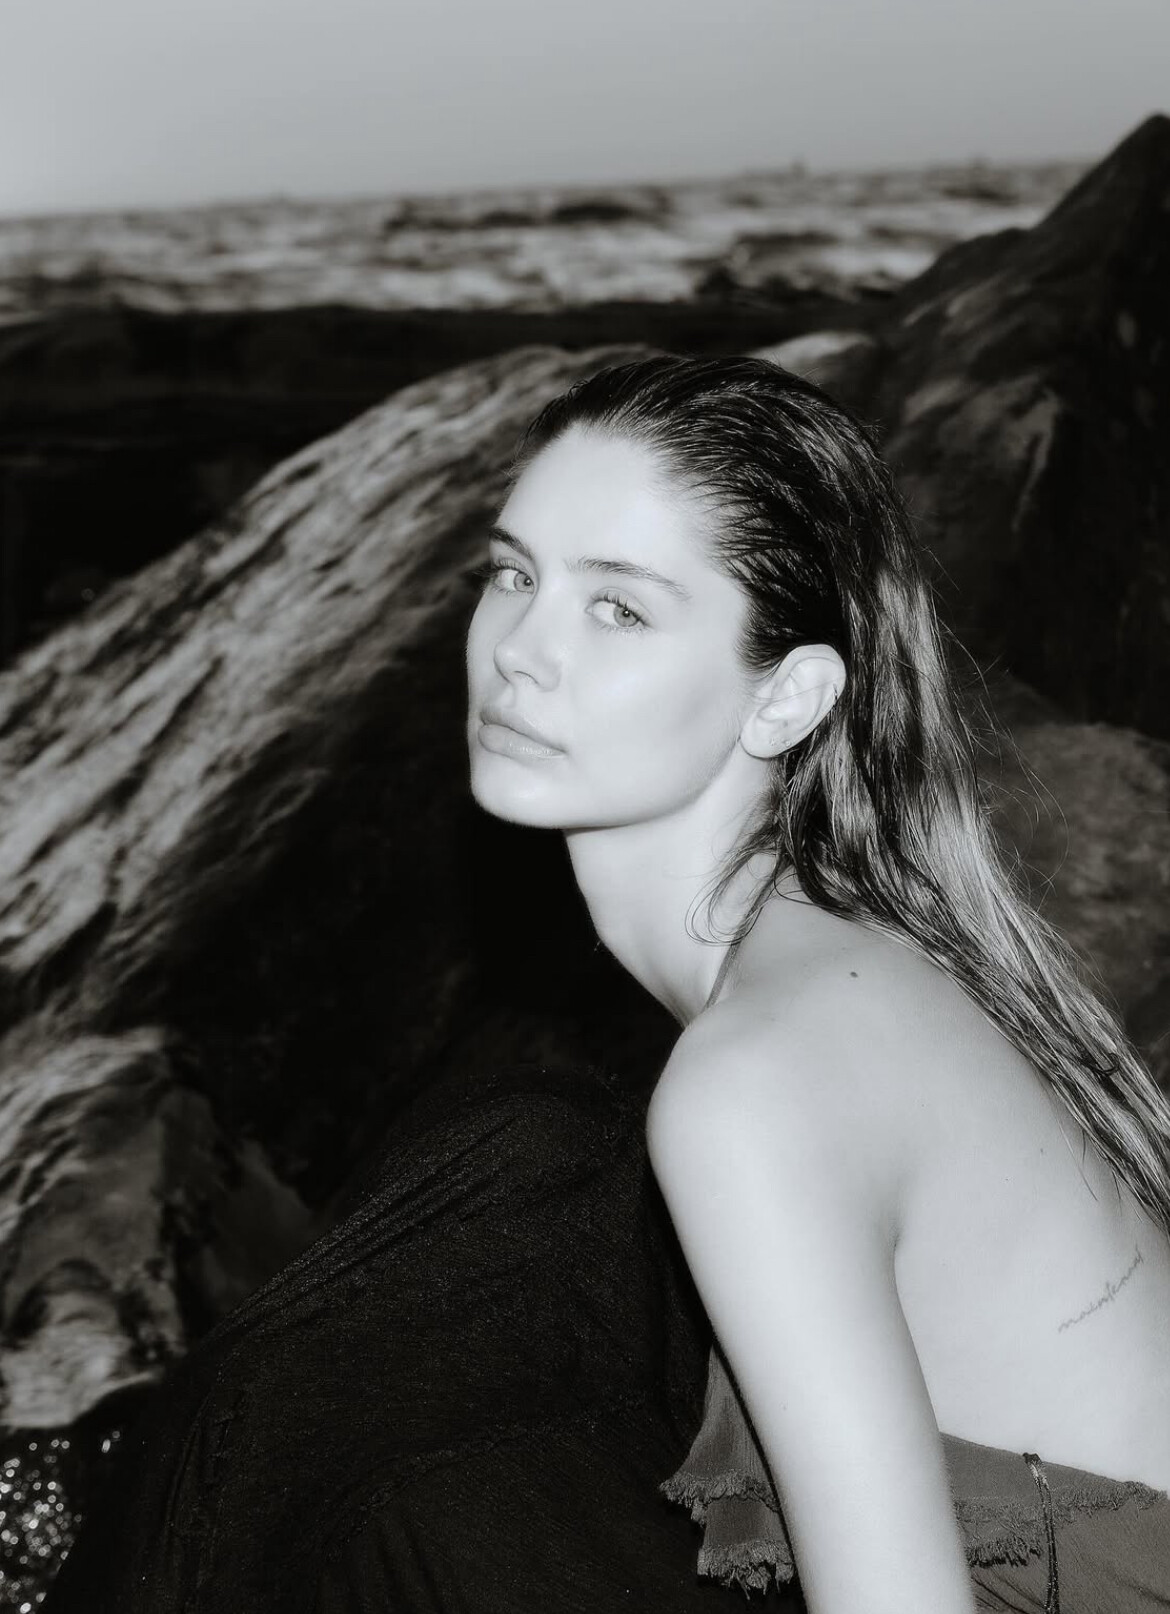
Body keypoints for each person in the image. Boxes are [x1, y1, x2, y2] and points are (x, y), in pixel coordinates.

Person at [465, 354, 1170, 1614]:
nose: (520, 650)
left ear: (787, 696)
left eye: (617, 609)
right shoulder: (859, 943)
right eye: (514, 574)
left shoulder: (759, 1080)